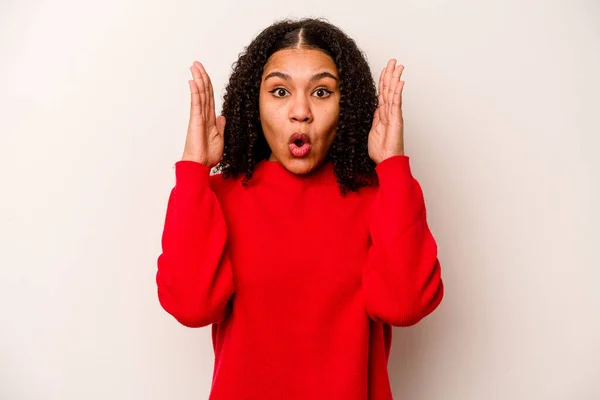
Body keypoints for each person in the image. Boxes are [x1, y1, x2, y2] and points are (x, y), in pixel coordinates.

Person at [156, 17, 444, 400]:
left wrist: (391, 166)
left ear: (347, 105)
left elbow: (405, 306)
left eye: (322, 92)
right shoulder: (216, 196)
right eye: (279, 92)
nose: (301, 111)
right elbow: (192, 308)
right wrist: (194, 168)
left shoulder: (382, 196)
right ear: (253, 103)